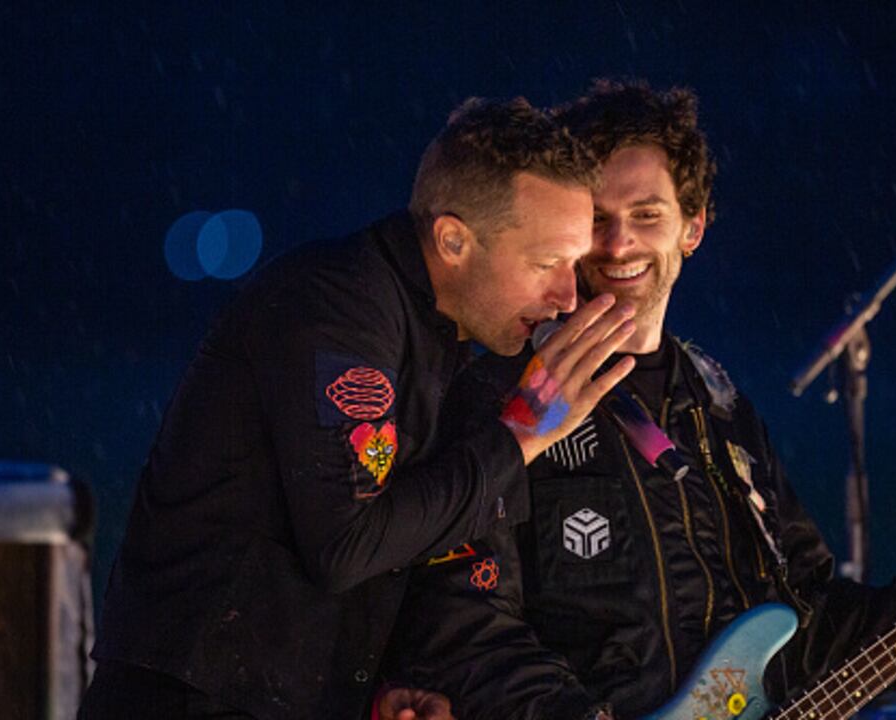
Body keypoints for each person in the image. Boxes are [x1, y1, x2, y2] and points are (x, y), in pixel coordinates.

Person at [385, 80, 896, 719]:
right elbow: (465, 625)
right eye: (597, 218)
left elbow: (810, 626)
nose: (619, 242)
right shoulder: (501, 396)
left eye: (647, 214)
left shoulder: (721, 412)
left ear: (692, 229)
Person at [80, 97, 640, 720]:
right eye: (546, 264)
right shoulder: (337, 305)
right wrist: (521, 438)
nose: (567, 296)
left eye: (572, 265)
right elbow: (345, 544)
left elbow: (394, 542)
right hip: (188, 698)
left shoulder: (447, 340)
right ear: (453, 239)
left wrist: (379, 687)